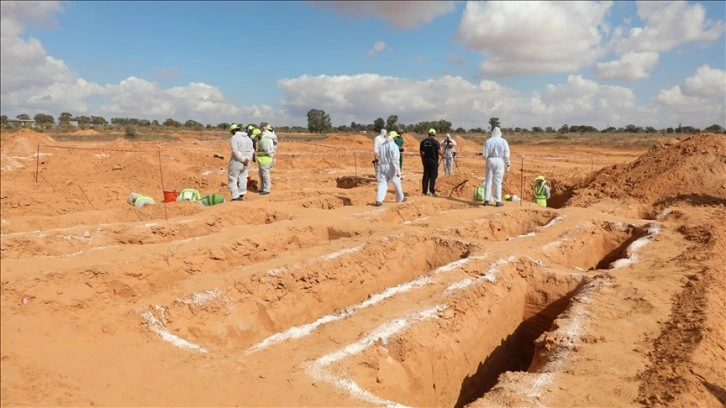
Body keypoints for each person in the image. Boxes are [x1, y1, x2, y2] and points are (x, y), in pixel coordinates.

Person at [481, 126, 510, 207]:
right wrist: (507, 164)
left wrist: (488, 157)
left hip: (490, 160)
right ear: (500, 133)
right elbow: (506, 154)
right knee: (497, 181)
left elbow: (484, 155)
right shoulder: (503, 141)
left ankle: (486, 200)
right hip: (500, 161)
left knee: (488, 180)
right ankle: (498, 201)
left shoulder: (488, 141)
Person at [374, 132, 406, 206]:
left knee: (382, 183)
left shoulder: (382, 145)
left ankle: (379, 199)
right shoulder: (393, 146)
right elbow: (395, 158)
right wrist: (398, 169)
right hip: (391, 166)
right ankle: (400, 198)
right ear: (394, 138)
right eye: (396, 137)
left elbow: (379, 155)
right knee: (396, 182)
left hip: (382, 166)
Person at [228, 123, 253, 201]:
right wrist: (247, 160)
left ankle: (235, 197)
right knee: (243, 177)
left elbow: (235, 151)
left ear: (233, 131)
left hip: (237, 161)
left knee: (232, 178)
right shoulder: (248, 138)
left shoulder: (234, 138)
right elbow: (252, 150)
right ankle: (241, 194)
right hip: (247, 161)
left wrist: (243, 159)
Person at [419, 128, 442, 196]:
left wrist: (423, 159)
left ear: (428, 134)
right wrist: (444, 155)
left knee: (426, 176)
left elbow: (421, 152)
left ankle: (424, 192)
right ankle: (431, 192)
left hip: (426, 161)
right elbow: (439, 152)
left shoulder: (423, 142)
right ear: (434, 134)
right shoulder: (436, 142)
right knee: (433, 176)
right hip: (433, 161)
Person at [256, 125, 275, 195]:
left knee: (265, 175)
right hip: (262, 159)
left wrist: (259, 152)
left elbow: (267, 151)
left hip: (265, 159)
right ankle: (262, 188)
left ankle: (266, 189)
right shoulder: (262, 139)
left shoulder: (264, 140)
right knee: (261, 175)